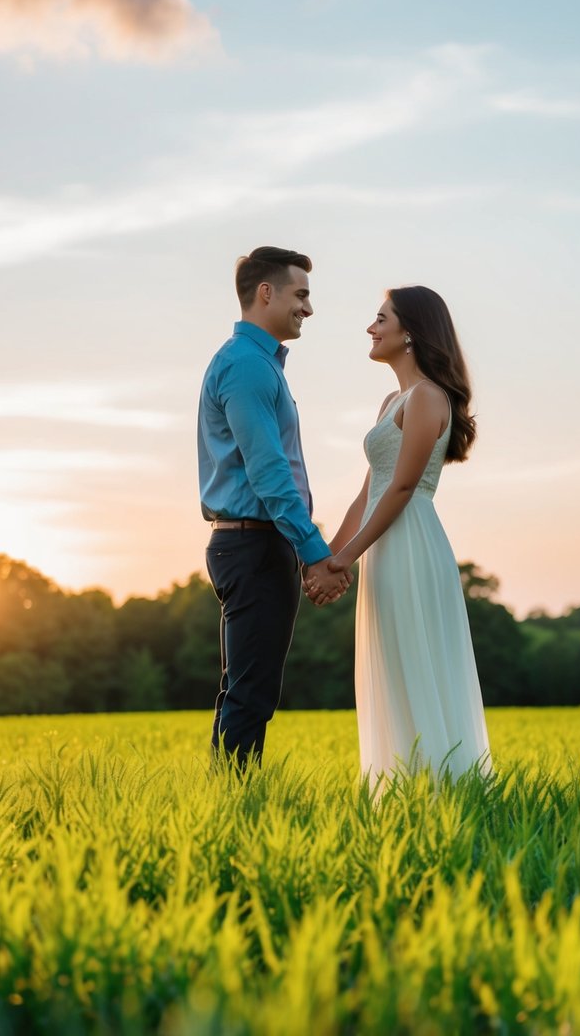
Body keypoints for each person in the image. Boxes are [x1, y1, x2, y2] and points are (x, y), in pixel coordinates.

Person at [311, 285, 491, 784]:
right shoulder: (393, 399)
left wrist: (345, 559)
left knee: (418, 658)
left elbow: (403, 488)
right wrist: (324, 559)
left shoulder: (429, 397)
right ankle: (404, 788)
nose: (371, 328)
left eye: (380, 318)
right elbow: (367, 493)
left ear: (409, 330)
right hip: (381, 542)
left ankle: (446, 786)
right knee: (391, 662)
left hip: (411, 541)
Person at [197, 246, 352, 767]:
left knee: (248, 686)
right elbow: (269, 473)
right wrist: (313, 552)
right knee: (251, 692)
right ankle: (235, 807)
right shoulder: (246, 367)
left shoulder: (257, 364)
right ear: (266, 293)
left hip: (257, 541)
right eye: (301, 294)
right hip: (252, 542)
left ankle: (232, 800)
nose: (308, 308)